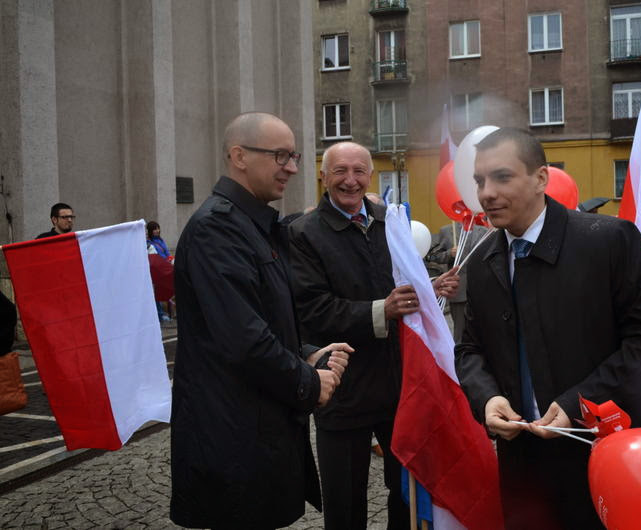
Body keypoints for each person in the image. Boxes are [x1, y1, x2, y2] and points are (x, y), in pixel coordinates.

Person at [454, 128, 641, 529]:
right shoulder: (483, 258)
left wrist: (580, 402)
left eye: (502, 177)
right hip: (523, 464)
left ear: (541, 178)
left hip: (611, 453)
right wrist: (487, 398)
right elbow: (470, 349)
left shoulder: (609, 241)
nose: (486, 193)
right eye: (479, 180)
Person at [169, 112, 351, 529]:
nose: (291, 168)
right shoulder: (219, 229)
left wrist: (306, 353)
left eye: (294, 156)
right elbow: (244, 339)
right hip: (233, 434)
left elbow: (267, 317)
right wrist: (309, 383)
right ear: (239, 156)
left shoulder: (255, 225)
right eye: (280, 156)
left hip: (256, 427)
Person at [288, 141, 459, 530]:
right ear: (323, 176)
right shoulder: (303, 232)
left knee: (406, 493)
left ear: (369, 175)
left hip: (400, 386)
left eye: (358, 171)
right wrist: (382, 310)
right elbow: (310, 309)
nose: (350, 180)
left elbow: (401, 285)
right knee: (345, 502)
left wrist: (428, 288)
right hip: (342, 386)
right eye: (340, 171)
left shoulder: (389, 221)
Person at [428, 222, 489, 341]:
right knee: (460, 333)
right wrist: (449, 253)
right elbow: (433, 256)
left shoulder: (483, 231)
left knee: (482, 329)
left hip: (480, 289)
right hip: (458, 290)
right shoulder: (446, 230)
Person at [146, 221, 172, 322]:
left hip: (166, 267)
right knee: (157, 292)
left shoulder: (161, 240)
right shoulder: (149, 243)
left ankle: (167, 313)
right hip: (157, 270)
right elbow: (154, 257)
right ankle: (160, 314)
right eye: (155, 229)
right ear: (150, 231)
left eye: (158, 228)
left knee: (165, 290)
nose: (157, 230)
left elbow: (167, 252)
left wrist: (170, 259)